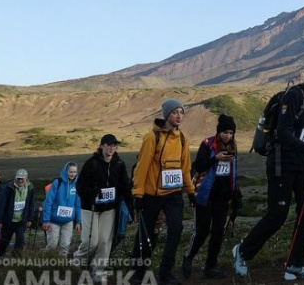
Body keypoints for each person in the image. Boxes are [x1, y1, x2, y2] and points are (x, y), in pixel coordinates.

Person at [233, 58, 304, 281]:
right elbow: (284, 133)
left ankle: (294, 264)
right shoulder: (294, 96)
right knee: (278, 215)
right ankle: (242, 252)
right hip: (282, 164)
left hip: (303, 165)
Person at [130, 100, 195, 285]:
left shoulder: (183, 138)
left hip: (174, 194)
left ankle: (166, 273)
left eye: (181, 112)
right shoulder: (152, 137)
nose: (179, 116)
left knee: (176, 229)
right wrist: (138, 194)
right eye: (175, 112)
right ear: (167, 115)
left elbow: (185, 168)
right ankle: (137, 272)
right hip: (152, 195)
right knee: (146, 233)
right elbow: (142, 167)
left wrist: (190, 192)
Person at [181, 114, 244, 280]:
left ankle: (211, 266)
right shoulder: (207, 144)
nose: (228, 136)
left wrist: (235, 193)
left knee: (218, 231)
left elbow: (233, 171)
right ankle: (188, 257)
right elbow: (199, 165)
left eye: (230, 133)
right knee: (202, 230)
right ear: (218, 132)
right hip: (205, 194)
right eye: (225, 132)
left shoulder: (233, 146)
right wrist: (215, 158)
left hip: (222, 197)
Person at [75, 134, 133, 282]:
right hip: (90, 208)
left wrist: (132, 209)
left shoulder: (119, 164)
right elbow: (80, 187)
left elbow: (125, 188)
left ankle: (98, 272)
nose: (111, 148)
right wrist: (92, 192)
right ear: (101, 146)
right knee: (91, 242)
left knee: (105, 242)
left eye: (114, 145)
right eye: (108, 145)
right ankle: (77, 260)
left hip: (109, 210)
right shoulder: (91, 163)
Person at [0, 169, 36, 259]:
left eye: (22, 179)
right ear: (15, 178)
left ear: (26, 178)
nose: (20, 181)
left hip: (21, 220)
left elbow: (31, 204)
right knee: (4, 242)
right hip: (8, 220)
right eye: (18, 178)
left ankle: (16, 259)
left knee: (20, 241)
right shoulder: (8, 187)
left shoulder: (30, 187)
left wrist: (30, 219)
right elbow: (1, 205)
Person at [42, 161, 82, 257]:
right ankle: (45, 262)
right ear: (65, 171)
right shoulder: (57, 183)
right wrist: (46, 220)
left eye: (74, 172)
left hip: (68, 221)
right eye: (70, 172)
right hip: (53, 220)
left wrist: (78, 221)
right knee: (52, 245)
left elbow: (78, 205)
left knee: (65, 247)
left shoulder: (77, 185)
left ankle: (61, 265)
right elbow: (48, 202)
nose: (72, 174)